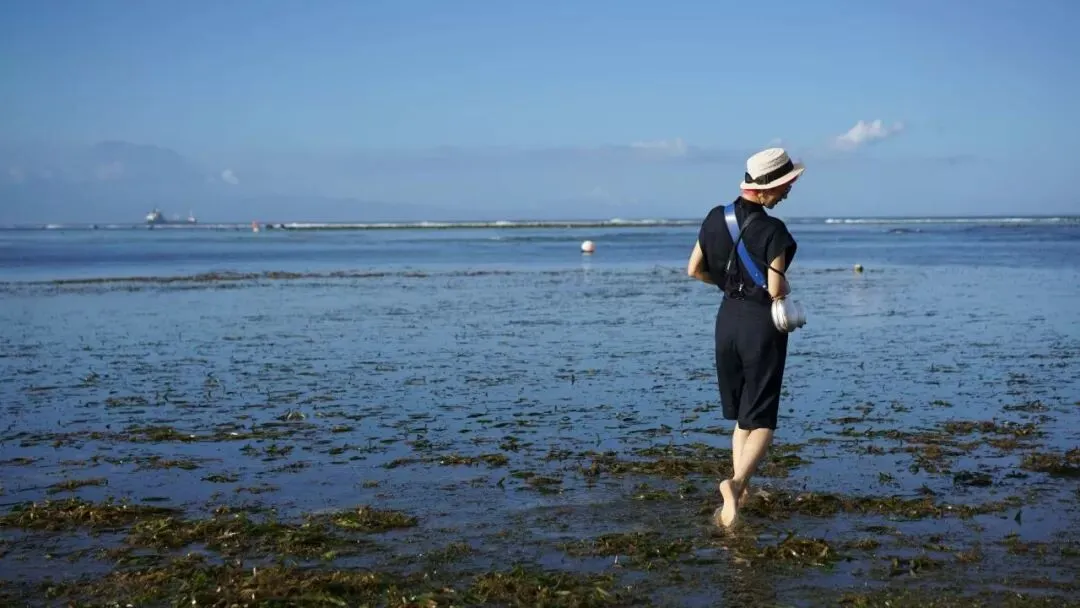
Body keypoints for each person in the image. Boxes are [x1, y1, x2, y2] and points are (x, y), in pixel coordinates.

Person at [686, 147, 804, 528]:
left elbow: (694, 269)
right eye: (785, 186)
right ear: (766, 188)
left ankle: (739, 496)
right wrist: (784, 294)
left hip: (726, 323)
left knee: (743, 417)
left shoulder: (714, 218)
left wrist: (729, 285)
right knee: (763, 419)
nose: (787, 193)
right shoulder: (774, 231)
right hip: (759, 326)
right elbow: (775, 289)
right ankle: (735, 484)